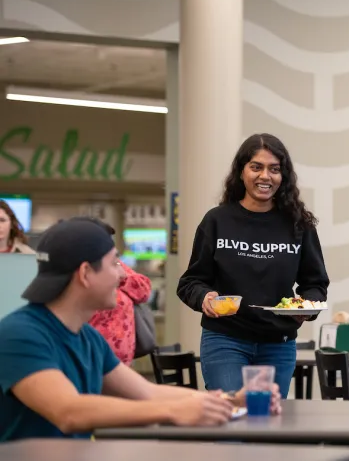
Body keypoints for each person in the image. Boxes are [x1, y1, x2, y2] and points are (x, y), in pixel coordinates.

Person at [0, 218, 281, 442]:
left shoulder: (88, 338)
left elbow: (147, 392)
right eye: (114, 264)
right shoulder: (20, 334)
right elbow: (69, 411)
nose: (123, 275)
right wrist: (173, 411)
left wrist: (230, 401)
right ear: (85, 274)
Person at [177, 133, 329, 398]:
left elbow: (315, 284)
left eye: (274, 169)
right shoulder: (217, 221)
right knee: (231, 423)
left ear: (284, 177)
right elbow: (190, 282)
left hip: (278, 344)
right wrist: (205, 297)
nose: (265, 176)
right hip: (225, 339)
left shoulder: (298, 226)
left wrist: (306, 307)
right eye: (256, 167)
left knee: (267, 424)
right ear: (241, 172)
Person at [71, 217, 153, 365]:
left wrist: (120, 277)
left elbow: (143, 289)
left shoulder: (116, 266)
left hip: (119, 361)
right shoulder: (73, 270)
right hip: (89, 359)